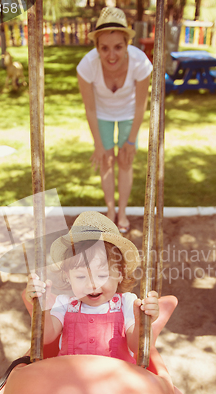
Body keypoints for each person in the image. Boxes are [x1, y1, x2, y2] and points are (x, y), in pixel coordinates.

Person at [24, 211, 159, 362]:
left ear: (120, 274)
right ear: (68, 277)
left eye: (102, 276)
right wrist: (44, 309)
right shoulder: (64, 304)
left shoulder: (127, 303)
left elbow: (137, 347)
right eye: (81, 277)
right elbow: (47, 338)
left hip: (116, 380)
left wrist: (142, 323)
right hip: (70, 378)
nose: (92, 285)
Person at [76, 7, 153, 233]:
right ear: (97, 48)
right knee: (107, 161)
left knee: (126, 161)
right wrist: (99, 145)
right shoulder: (86, 66)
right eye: (105, 48)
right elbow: (90, 109)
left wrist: (130, 141)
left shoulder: (141, 63)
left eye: (118, 47)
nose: (111, 55)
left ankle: (123, 211)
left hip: (130, 113)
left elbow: (141, 105)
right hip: (101, 114)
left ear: (127, 45)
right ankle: (110, 211)